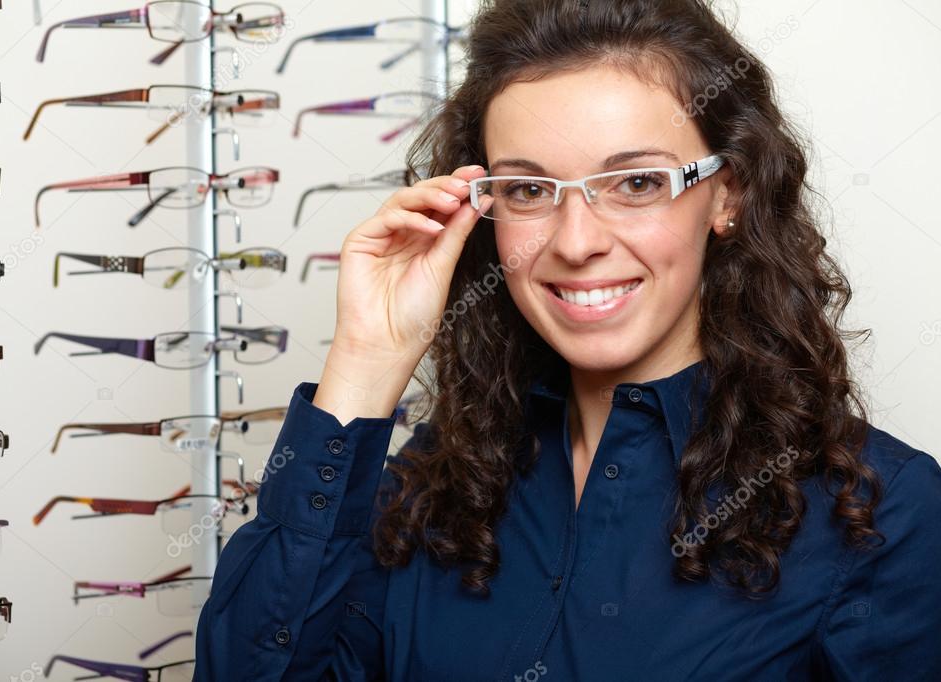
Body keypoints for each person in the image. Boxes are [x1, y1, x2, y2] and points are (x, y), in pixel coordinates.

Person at [193, 1, 941, 680]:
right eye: (527, 190)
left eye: (637, 183)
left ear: (728, 193)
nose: (575, 243)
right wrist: (366, 358)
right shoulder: (430, 489)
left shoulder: (882, 514)